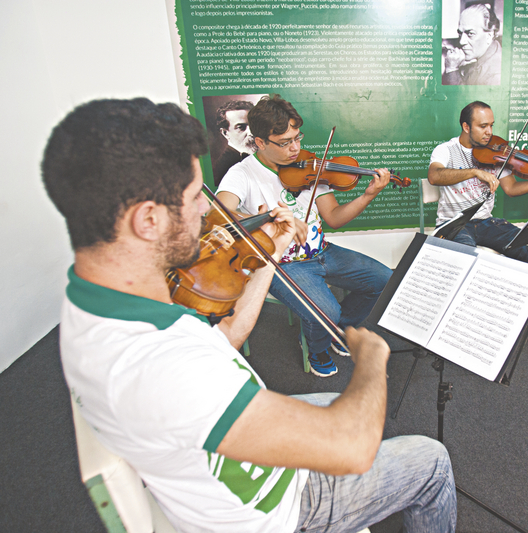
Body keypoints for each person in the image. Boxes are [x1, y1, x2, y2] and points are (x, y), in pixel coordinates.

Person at [42, 98, 456, 533]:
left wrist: (270, 253)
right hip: (280, 510)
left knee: (340, 402)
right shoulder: (161, 366)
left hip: (222, 449)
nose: (207, 212)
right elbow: (349, 447)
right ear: (148, 219)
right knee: (430, 459)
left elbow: (225, 339)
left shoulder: (97, 305)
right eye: (192, 199)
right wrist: (372, 361)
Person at [217, 95, 393, 377]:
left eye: (297, 138)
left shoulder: (310, 165)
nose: (295, 148)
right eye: (285, 142)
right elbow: (219, 215)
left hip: (322, 251)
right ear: (260, 142)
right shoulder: (242, 173)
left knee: (385, 280)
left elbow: (333, 218)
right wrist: (266, 218)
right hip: (282, 265)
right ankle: (318, 346)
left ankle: (337, 330)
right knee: (325, 309)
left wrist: (368, 195)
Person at [428, 100, 528, 331]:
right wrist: (475, 172)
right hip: (455, 223)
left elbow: (512, 189)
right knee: (467, 256)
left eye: (491, 125)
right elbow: (434, 176)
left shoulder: (495, 153)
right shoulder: (446, 150)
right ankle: (462, 321)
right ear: (466, 127)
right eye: (483, 126)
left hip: (486, 222)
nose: (489, 133)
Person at [442, 3, 502, 86]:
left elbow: (462, 98)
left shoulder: (495, 77)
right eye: (460, 34)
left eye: (470, 33)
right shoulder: (491, 52)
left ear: (489, 36)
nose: (461, 41)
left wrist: (452, 69)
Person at [213, 100, 258, 186]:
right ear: (225, 133)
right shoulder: (222, 168)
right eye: (241, 127)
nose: (251, 132)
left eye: (253, 125)